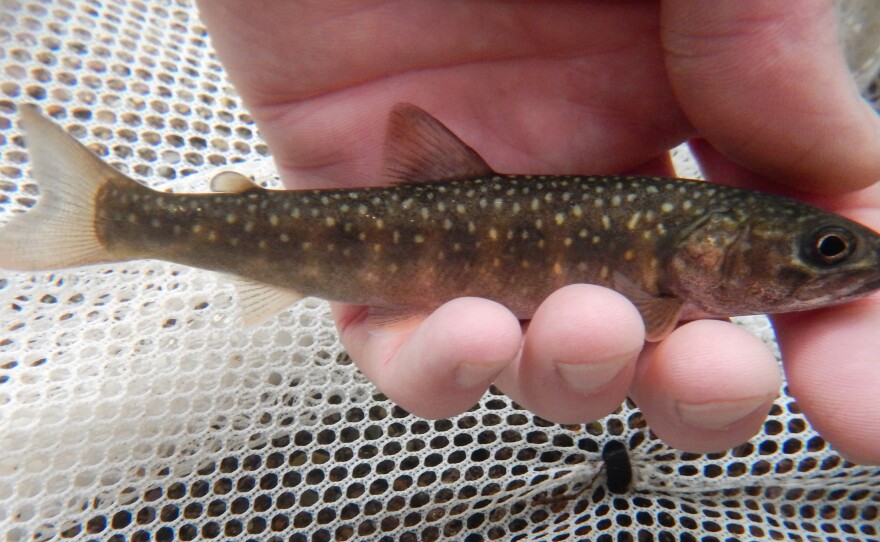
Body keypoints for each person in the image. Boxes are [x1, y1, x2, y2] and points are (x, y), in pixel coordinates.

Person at [196, 0, 880, 463]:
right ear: (716, 244)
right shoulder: (668, 275)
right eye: (826, 252)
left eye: (829, 252)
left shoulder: (678, 245)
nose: (838, 264)